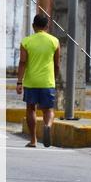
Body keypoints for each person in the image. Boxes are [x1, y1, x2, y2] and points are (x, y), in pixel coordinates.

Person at [16, 11, 60, 148]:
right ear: (47, 26)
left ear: (33, 26)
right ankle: (47, 126)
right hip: (47, 81)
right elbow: (57, 64)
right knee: (48, 110)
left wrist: (19, 82)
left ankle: (33, 140)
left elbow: (22, 62)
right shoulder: (54, 41)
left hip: (31, 81)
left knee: (31, 109)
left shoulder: (26, 41)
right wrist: (55, 78)